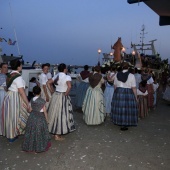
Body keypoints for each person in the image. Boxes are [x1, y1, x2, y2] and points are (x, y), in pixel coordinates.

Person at [1, 59, 31, 142]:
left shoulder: (10, 75)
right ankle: (12, 135)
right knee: (15, 116)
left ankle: (11, 133)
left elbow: (6, 87)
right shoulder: (18, 78)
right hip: (15, 97)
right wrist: (28, 103)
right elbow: (21, 92)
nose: (21, 66)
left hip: (8, 96)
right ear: (18, 67)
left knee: (9, 116)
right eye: (20, 65)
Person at [47, 63, 75, 141]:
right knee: (62, 114)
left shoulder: (56, 76)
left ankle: (54, 130)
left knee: (54, 113)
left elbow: (48, 83)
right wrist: (66, 94)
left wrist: (52, 91)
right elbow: (69, 86)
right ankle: (57, 134)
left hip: (56, 95)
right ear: (65, 69)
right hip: (62, 95)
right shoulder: (67, 77)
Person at [22, 86, 51, 153]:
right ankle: (39, 147)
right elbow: (45, 112)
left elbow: (29, 110)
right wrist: (47, 120)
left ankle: (30, 146)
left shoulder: (32, 100)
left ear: (33, 92)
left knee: (31, 132)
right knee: (39, 133)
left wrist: (26, 107)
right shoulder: (42, 101)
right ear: (40, 92)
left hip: (32, 117)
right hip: (40, 118)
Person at [111, 62, 138, 131]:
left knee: (119, 107)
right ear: (128, 67)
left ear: (121, 67)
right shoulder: (131, 75)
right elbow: (134, 87)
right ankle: (125, 123)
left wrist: (116, 93)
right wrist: (136, 97)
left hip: (119, 91)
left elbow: (115, 85)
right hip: (128, 92)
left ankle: (119, 122)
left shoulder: (117, 74)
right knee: (127, 108)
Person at [0, 63, 8, 135]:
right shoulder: (3, 76)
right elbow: (5, 87)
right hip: (3, 93)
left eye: (7, 67)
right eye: (4, 67)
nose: (6, 69)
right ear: (1, 69)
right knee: (3, 110)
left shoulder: (5, 76)